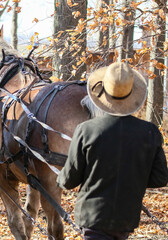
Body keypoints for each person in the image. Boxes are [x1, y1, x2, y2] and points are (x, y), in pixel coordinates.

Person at [56, 62, 168, 240]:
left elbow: (69, 180)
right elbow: (160, 178)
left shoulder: (86, 130)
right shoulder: (150, 132)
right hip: (126, 219)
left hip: (93, 218)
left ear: (103, 93)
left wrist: (59, 178)